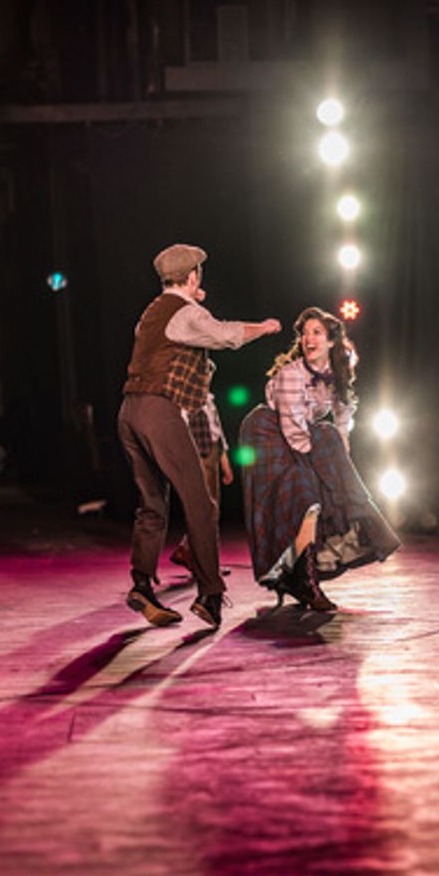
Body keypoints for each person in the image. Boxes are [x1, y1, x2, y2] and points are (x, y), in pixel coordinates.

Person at [119, 243, 281, 628]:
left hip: (128, 412)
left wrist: (190, 299)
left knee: (153, 503)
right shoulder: (187, 312)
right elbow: (225, 336)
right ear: (192, 276)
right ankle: (210, 594)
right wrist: (264, 327)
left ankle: (141, 584)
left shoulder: (151, 313)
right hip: (159, 412)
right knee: (200, 504)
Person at [239, 307, 401, 611]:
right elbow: (294, 429)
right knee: (306, 497)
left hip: (303, 436)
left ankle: (303, 577)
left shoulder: (335, 375)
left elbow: (342, 416)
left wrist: (341, 455)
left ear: (330, 342)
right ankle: (304, 580)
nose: (308, 339)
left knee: (315, 490)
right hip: (269, 437)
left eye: (316, 333)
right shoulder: (291, 375)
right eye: (304, 333)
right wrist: (319, 468)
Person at [169, 390, 234, 574]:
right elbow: (180, 431)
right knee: (203, 509)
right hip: (198, 456)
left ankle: (188, 551)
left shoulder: (209, 399)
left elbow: (217, 431)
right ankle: (203, 561)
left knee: (211, 509)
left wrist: (225, 462)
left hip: (211, 453)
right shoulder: (185, 400)